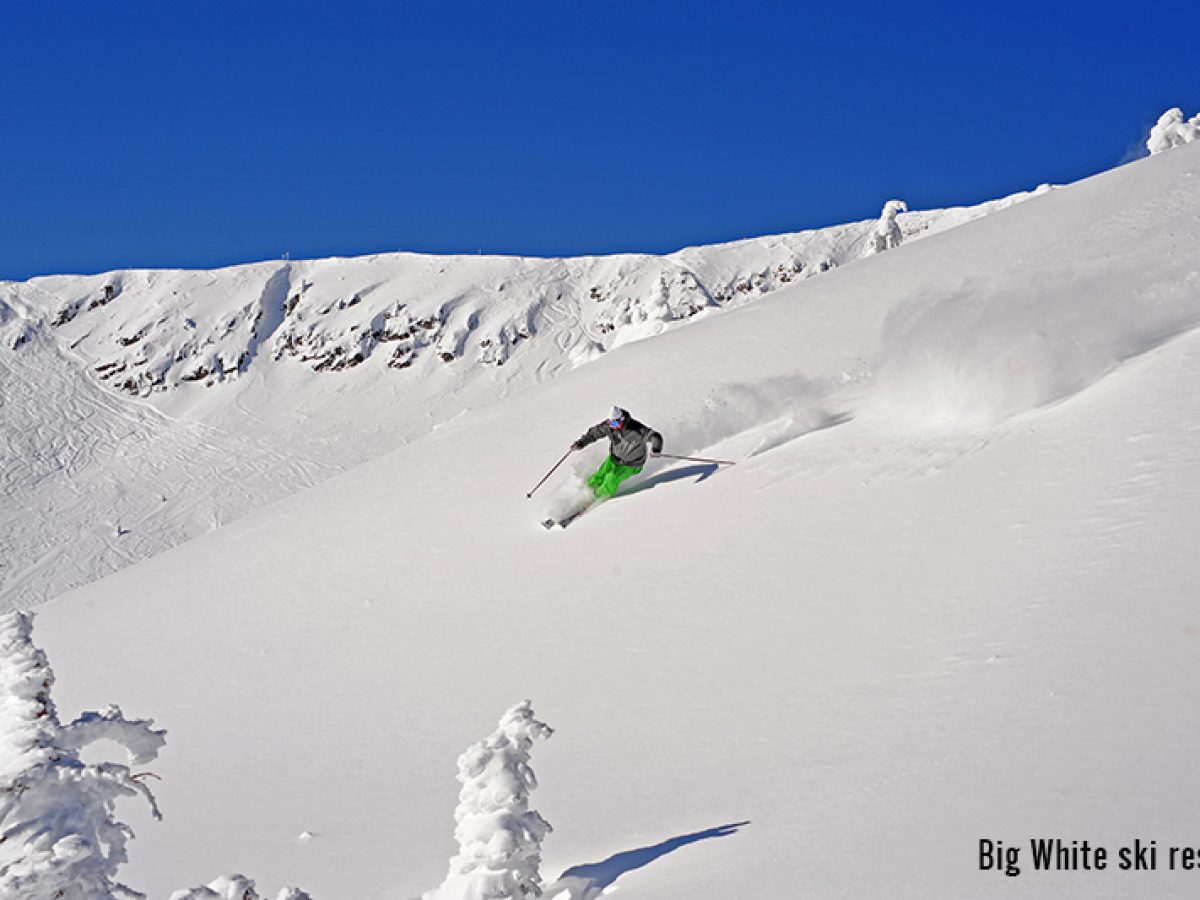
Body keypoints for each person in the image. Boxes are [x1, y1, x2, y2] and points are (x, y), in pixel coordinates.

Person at [571, 406, 663, 498]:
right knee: (600, 474)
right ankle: (584, 492)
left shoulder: (636, 429)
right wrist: (581, 442)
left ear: (622, 419)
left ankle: (597, 497)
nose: (612, 426)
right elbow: (594, 433)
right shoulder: (609, 427)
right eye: (610, 423)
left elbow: (655, 436)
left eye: (615, 423)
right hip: (614, 458)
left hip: (631, 464)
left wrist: (656, 448)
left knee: (611, 478)